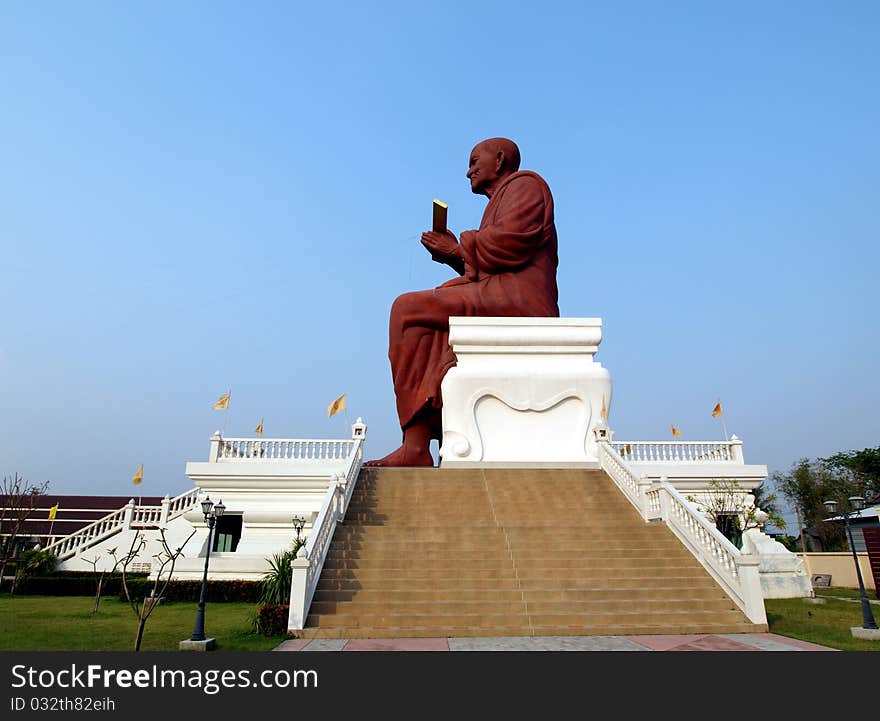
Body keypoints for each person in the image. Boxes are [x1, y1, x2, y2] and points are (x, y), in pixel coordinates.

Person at [365, 137, 559, 467]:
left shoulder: (527, 185)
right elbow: (490, 263)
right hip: (499, 291)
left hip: (521, 299)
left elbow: (512, 243)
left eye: (473, 161)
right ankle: (417, 443)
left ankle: (415, 445)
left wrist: (457, 249)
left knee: (407, 310)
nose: (467, 171)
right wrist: (454, 256)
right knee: (432, 308)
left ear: (499, 160)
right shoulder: (500, 200)